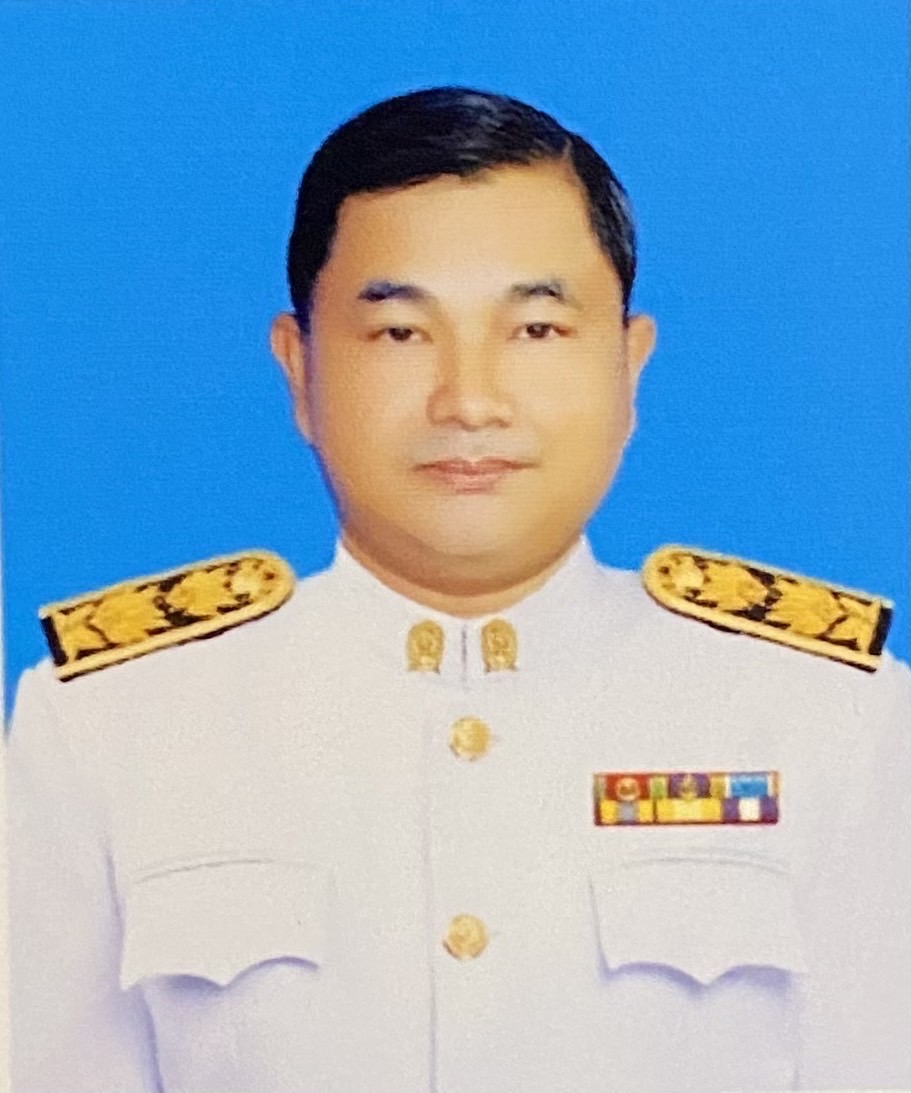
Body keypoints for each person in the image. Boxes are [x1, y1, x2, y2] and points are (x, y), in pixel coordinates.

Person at [5, 86, 909, 1093]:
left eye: (536, 330)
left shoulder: (827, 715)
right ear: (299, 369)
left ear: (628, 365)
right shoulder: (111, 724)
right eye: (400, 333)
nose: (468, 400)